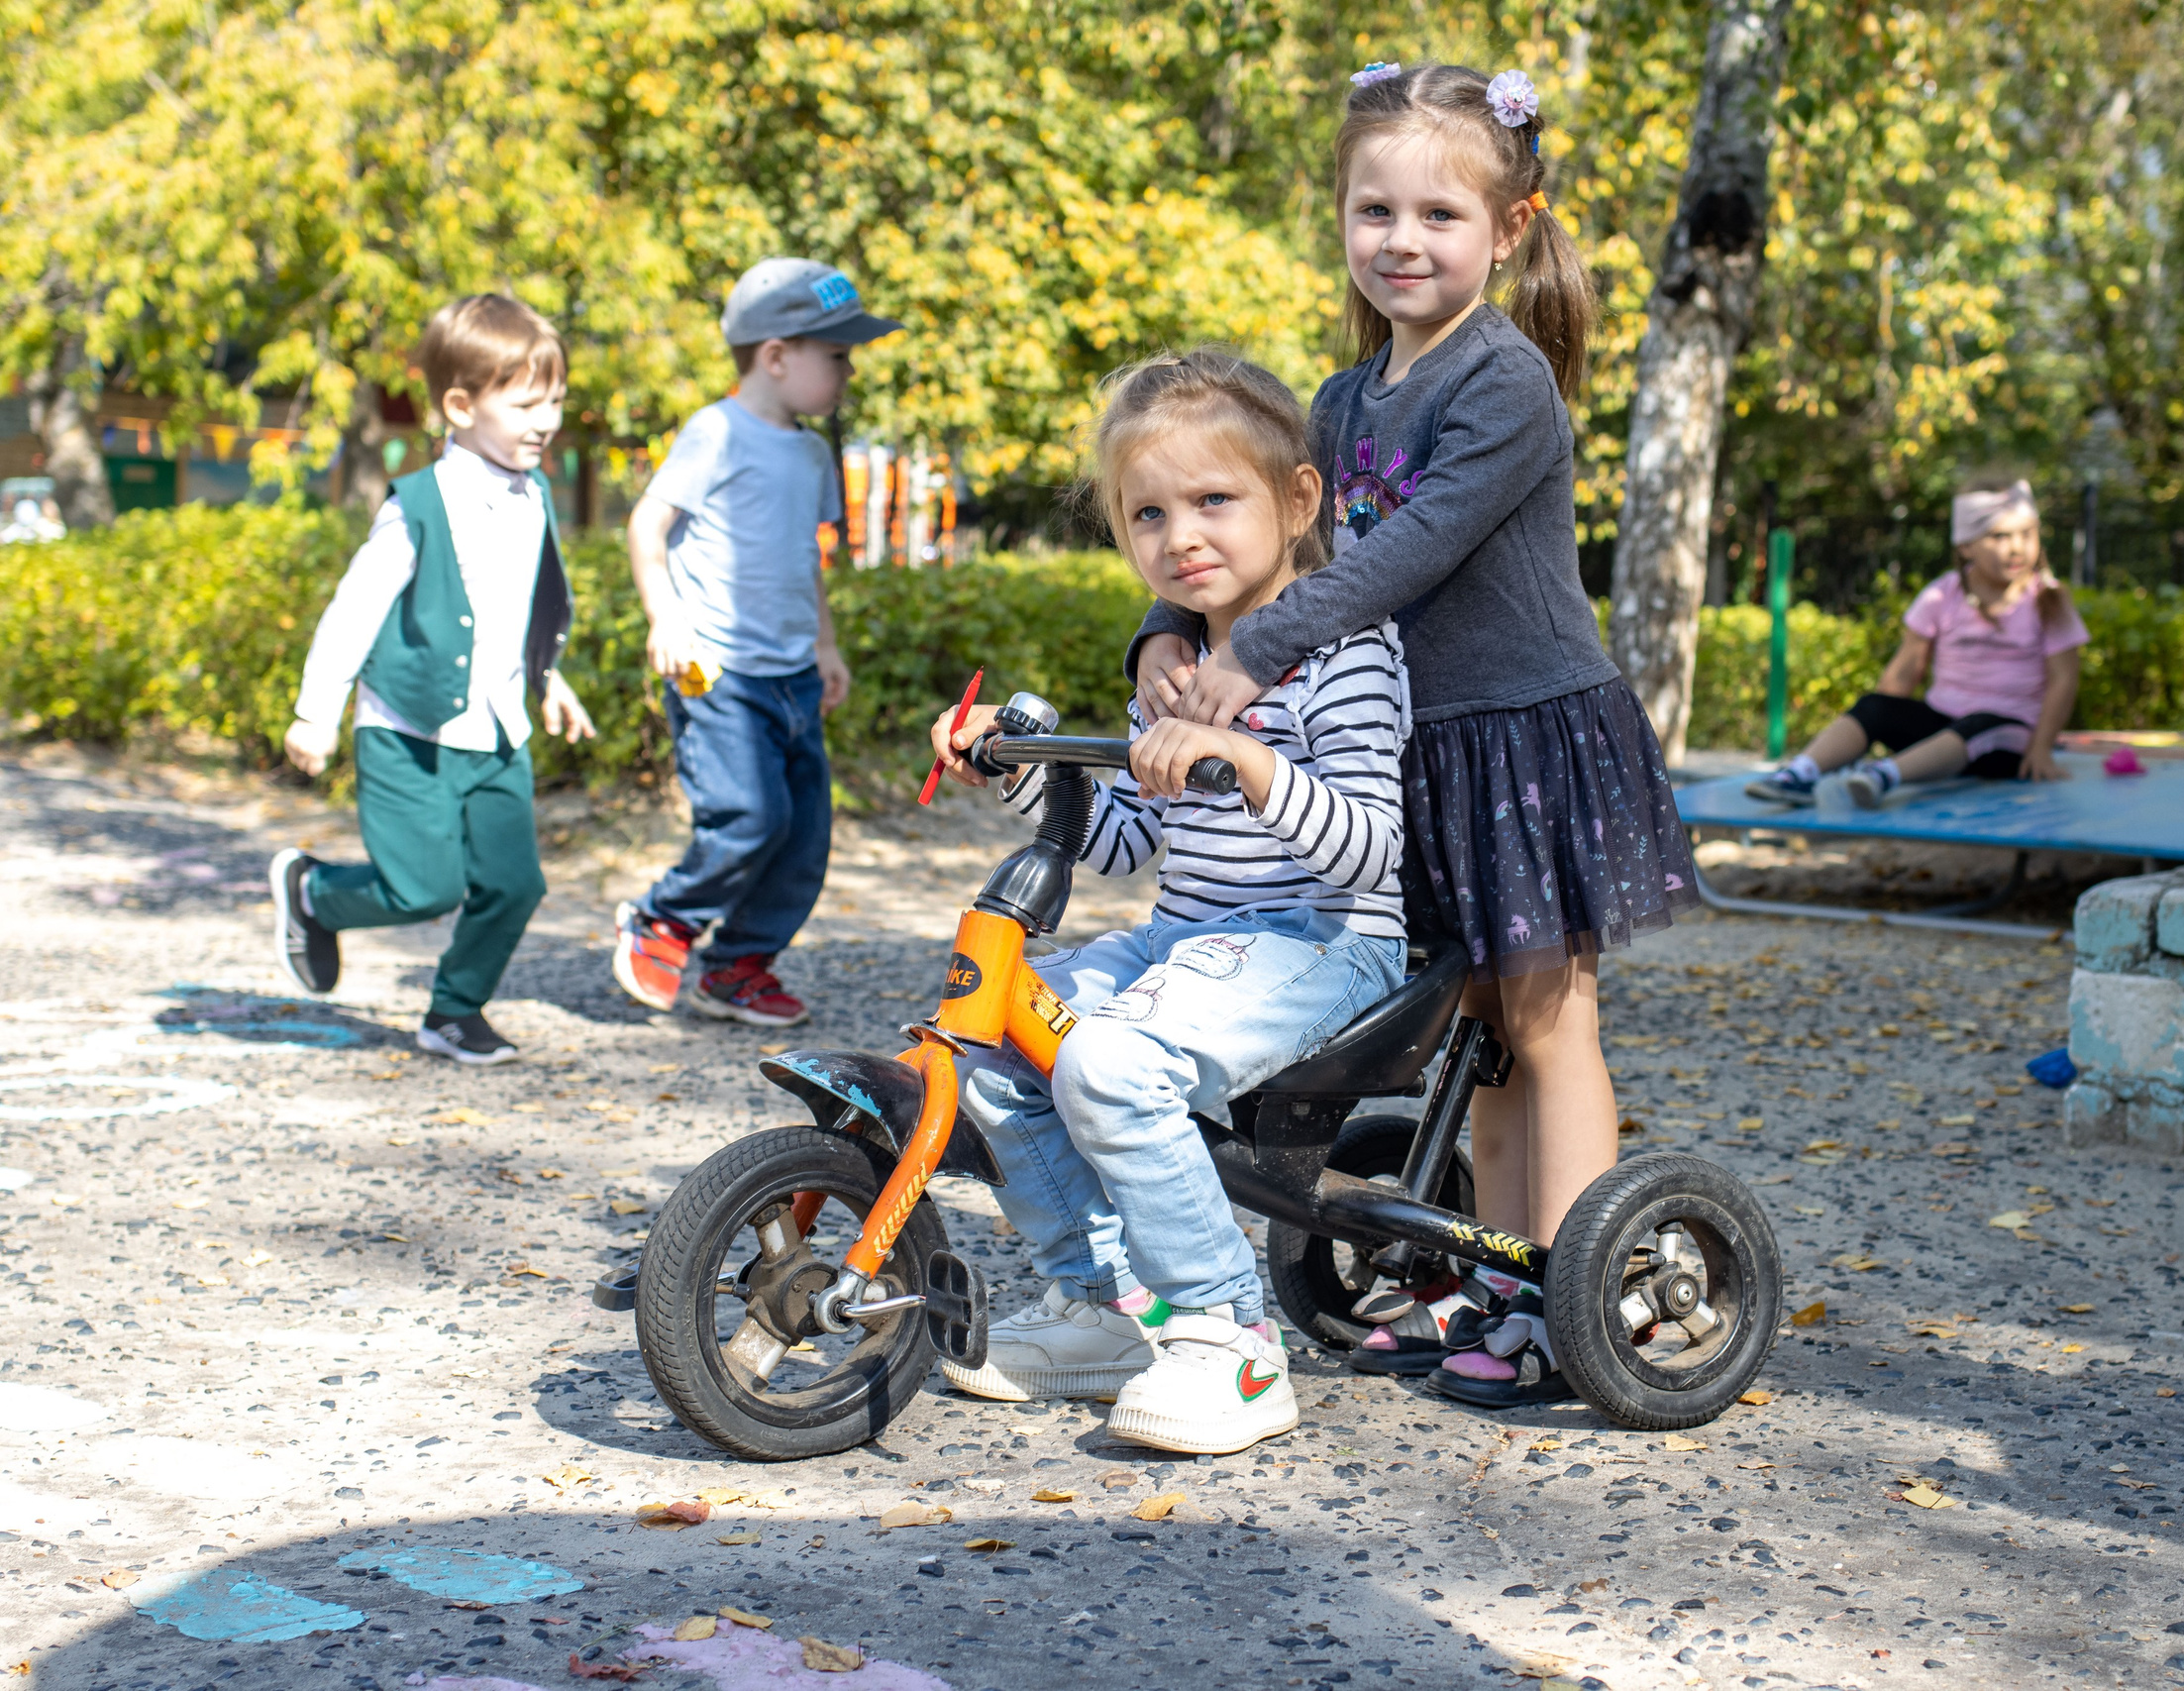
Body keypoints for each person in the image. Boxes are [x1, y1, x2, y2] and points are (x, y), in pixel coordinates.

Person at [1127, 62, 1695, 1408]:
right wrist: (1162, 627)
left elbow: (1417, 548)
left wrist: (1253, 652)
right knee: (1477, 1031)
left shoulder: (1506, 386)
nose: (1402, 239)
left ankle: (1577, 1291)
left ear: (1507, 229)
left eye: (1439, 214)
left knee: (1547, 1021)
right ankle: (1507, 1281)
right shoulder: (1337, 401)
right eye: (1374, 209)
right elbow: (1276, 530)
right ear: (1340, 220)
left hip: (1520, 738)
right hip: (1407, 749)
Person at [930, 349, 1413, 1455]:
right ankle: (1101, 1312)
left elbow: (1370, 855)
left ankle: (1229, 1339)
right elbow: (1134, 837)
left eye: (1212, 501)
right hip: (1188, 937)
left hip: (1327, 943)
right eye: (1148, 514)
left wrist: (1248, 763)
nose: (1180, 535)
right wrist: (1022, 771)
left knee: (1111, 1062)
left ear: (1296, 502)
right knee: (993, 1036)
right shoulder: (1176, 663)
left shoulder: (1347, 655)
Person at [271, 294, 595, 1065]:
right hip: (408, 728)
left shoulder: (535, 492)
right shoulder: (416, 505)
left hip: (496, 731)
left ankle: (454, 1010)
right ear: (460, 405)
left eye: (555, 399)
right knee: (423, 888)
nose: (546, 419)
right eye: (526, 402)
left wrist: (549, 677)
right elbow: (353, 609)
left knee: (515, 885)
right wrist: (315, 711)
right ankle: (314, 894)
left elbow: (521, 603)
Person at [609, 259, 900, 1027]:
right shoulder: (716, 431)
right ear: (776, 356)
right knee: (748, 816)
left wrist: (826, 647)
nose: (847, 370)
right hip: (718, 667)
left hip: (792, 673)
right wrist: (664, 617)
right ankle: (661, 917)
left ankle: (738, 966)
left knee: (804, 835)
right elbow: (648, 525)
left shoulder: (809, 454)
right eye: (836, 355)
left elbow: (804, 558)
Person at [1745, 476, 2087, 810]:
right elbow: (1903, 674)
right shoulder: (1943, 594)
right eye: (1999, 536)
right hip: (1942, 729)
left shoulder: (2049, 600)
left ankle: (1882, 777)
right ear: (1966, 545)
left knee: (1980, 725)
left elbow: (2064, 679)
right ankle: (1799, 775)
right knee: (1874, 705)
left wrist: (2041, 747)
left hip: (2010, 739)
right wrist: (1880, 722)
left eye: (2027, 533)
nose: (2017, 546)